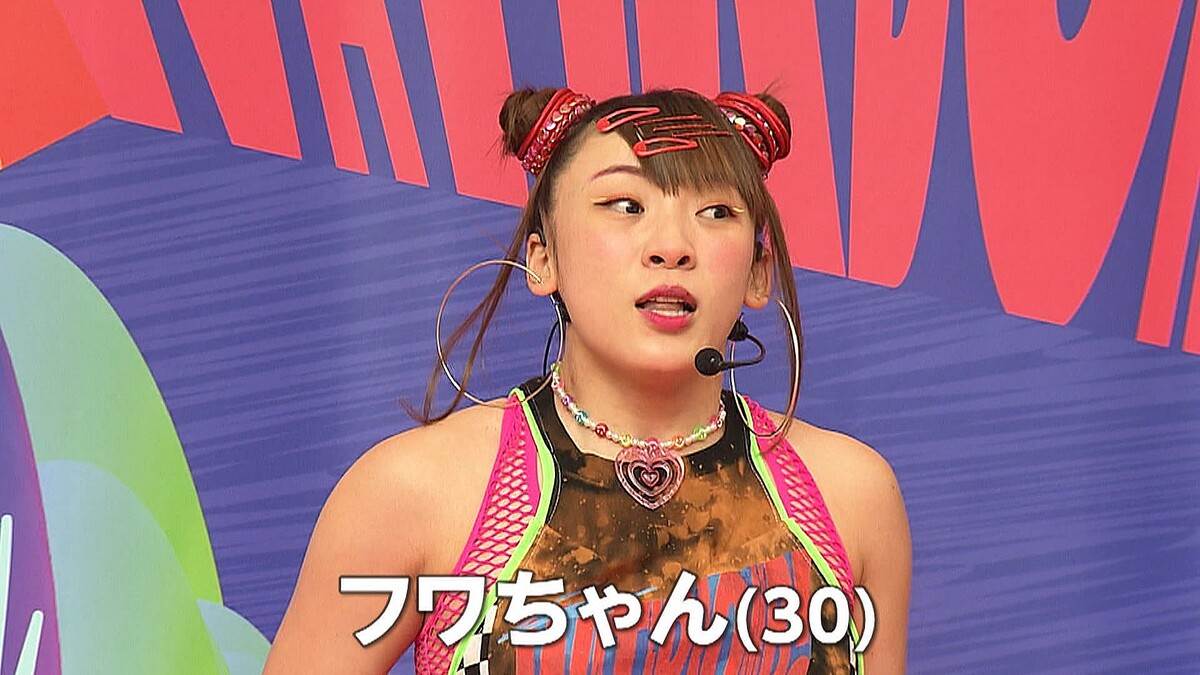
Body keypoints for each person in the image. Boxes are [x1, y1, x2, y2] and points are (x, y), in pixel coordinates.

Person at [265, 86, 911, 674]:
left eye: (716, 211)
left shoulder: (851, 495)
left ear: (757, 274)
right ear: (542, 260)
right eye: (625, 205)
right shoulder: (414, 489)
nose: (672, 246)